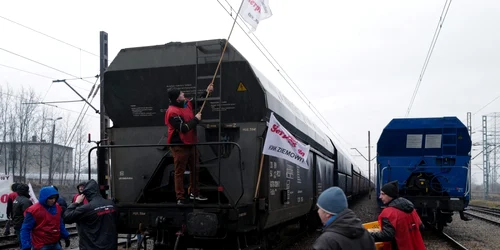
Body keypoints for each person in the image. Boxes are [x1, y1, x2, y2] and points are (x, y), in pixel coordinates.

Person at [165, 82, 213, 204]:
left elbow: (196, 102)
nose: (184, 94)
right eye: (181, 94)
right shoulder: (172, 112)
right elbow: (184, 128)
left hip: (191, 143)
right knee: (179, 171)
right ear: (177, 98)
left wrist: (207, 91)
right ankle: (180, 197)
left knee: (195, 168)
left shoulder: (185, 103)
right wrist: (196, 119)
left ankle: (194, 193)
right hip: (179, 145)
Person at [370, 181, 426, 250]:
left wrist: (367, 234)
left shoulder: (389, 213)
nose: (380, 197)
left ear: (390, 195)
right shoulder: (412, 209)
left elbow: (387, 235)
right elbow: (421, 227)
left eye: (383, 194)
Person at [63, 179, 118, 250]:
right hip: (110, 246)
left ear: (87, 194)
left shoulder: (86, 208)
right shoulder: (111, 204)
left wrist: (76, 203)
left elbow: (66, 217)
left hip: (91, 246)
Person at [20, 186, 70, 250]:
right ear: (44, 198)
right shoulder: (34, 210)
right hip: (41, 245)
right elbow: (25, 229)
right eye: (50, 198)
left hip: (55, 242)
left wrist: (66, 236)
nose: (53, 200)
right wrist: (26, 246)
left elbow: (59, 223)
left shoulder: (57, 207)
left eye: (55, 198)